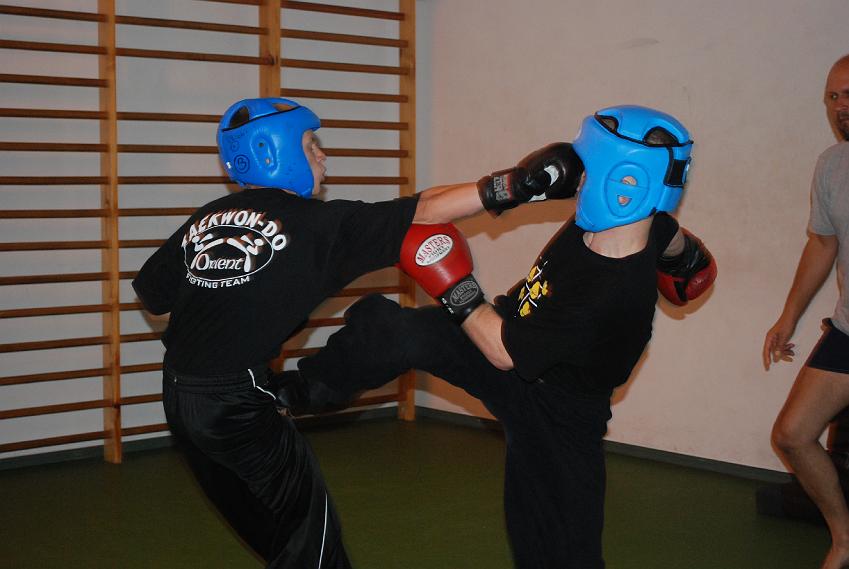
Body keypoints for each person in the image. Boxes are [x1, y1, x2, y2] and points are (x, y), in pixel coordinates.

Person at [131, 97, 580, 568]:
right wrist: (518, 185)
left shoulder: (206, 218)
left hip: (177, 393)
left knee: (269, 529)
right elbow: (425, 209)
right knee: (312, 538)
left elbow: (154, 296)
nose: (323, 156)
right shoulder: (318, 225)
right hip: (235, 404)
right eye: (311, 145)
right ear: (273, 152)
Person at [277, 105, 717, 568]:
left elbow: (504, 352)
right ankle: (294, 394)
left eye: (590, 171)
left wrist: (454, 286)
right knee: (396, 330)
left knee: (556, 552)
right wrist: (688, 260)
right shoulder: (643, 223)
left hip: (557, 414)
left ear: (624, 184)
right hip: (515, 333)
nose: (579, 179)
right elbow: (670, 234)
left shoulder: (609, 291)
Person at [763, 54, 849, 569]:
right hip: (848, 331)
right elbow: (822, 244)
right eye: (833, 97)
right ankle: (844, 539)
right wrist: (788, 317)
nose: (841, 106)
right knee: (792, 435)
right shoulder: (832, 165)